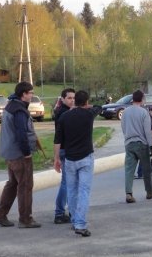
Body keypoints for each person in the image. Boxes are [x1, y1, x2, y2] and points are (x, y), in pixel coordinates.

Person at [0, 81, 41, 228]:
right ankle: (26, 219)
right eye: (30, 93)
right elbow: (21, 134)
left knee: (13, 184)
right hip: (20, 155)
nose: (32, 95)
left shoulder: (10, 106)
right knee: (25, 186)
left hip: (10, 154)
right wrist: (26, 153)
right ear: (23, 94)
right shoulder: (19, 110)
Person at [54, 90, 102, 237]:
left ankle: (75, 220)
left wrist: (56, 158)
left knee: (72, 191)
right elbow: (99, 107)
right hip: (86, 158)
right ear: (86, 102)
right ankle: (80, 224)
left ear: (75, 101)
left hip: (69, 159)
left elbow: (58, 140)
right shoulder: (89, 115)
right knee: (83, 191)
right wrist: (87, 106)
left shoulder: (64, 117)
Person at [121, 90, 152, 204]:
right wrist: (151, 145)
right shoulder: (143, 112)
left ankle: (129, 193)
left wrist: (127, 138)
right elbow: (147, 130)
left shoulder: (125, 112)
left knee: (129, 170)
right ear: (142, 99)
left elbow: (123, 127)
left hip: (129, 143)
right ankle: (149, 191)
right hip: (141, 143)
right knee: (146, 169)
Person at [53, 88, 75, 224]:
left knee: (69, 182)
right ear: (62, 99)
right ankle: (59, 213)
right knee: (66, 183)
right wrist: (56, 157)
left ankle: (67, 210)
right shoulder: (63, 113)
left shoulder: (67, 111)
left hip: (67, 150)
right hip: (65, 150)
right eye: (69, 98)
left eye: (74, 98)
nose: (72, 100)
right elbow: (58, 138)